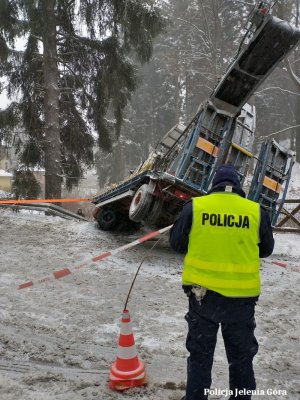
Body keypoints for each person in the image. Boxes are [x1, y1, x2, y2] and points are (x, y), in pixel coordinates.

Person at [169, 164, 274, 400]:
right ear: (238, 185)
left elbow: (176, 243)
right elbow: (266, 250)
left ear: (213, 184)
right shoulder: (256, 211)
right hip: (241, 301)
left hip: (203, 298)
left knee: (200, 357)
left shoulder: (195, 207)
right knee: (241, 360)